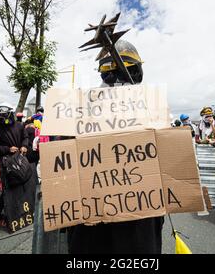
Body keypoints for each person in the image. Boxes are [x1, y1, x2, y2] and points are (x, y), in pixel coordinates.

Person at [67, 39, 164, 254]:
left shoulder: (153, 110)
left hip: (139, 212)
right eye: (109, 74)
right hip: (93, 212)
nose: (115, 80)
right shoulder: (81, 110)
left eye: (123, 72)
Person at [0, 104, 29, 224]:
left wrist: (24, 146)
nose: (4, 120)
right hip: (5, 161)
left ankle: (4, 213)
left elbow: (25, 138)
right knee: (8, 187)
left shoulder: (20, 126)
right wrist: (7, 149)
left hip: (19, 160)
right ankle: (7, 215)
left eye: (5, 116)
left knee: (19, 185)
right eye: (1, 117)